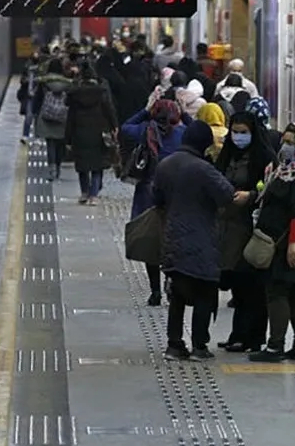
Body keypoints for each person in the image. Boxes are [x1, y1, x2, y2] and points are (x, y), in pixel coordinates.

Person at [153, 119, 251, 360]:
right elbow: (227, 194)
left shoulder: (165, 164)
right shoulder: (203, 169)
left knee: (177, 294)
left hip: (173, 238)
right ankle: (199, 346)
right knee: (205, 292)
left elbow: (157, 198)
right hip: (202, 240)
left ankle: (174, 345)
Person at [249, 124, 295, 363]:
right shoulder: (284, 169)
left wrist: (294, 244)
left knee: (278, 292)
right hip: (285, 240)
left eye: (291, 142)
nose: (285, 146)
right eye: (285, 140)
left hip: (288, 244)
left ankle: (275, 346)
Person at [214, 111, 276, 352]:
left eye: (244, 132)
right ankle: (238, 334)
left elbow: (268, 186)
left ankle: (253, 336)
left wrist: (251, 195)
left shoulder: (264, 157)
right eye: (235, 132)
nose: (239, 137)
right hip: (228, 226)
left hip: (252, 227)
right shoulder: (227, 154)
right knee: (238, 285)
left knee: (252, 284)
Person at [122, 99, 187, 305]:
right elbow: (199, 132)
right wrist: (185, 113)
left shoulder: (144, 130)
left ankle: (155, 291)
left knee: (151, 242)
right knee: (172, 241)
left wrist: (145, 110)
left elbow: (125, 127)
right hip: (175, 195)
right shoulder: (182, 133)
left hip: (147, 194)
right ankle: (171, 279)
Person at [65, 61, 117, 205]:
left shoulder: (75, 94)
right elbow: (109, 110)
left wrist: (68, 138)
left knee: (82, 165)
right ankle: (94, 195)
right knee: (97, 165)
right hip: (98, 132)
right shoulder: (101, 93)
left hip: (79, 132)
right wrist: (114, 127)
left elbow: (70, 117)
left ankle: (84, 192)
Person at [34, 58, 72, 179]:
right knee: (60, 143)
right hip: (62, 116)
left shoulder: (44, 82)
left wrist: (35, 113)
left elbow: (38, 98)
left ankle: (52, 170)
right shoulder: (67, 83)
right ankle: (59, 167)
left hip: (47, 116)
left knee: (50, 143)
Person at [17, 49, 45, 143]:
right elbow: (22, 80)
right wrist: (27, 80)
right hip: (30, 95)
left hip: (37, 95)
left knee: (36, 116)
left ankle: (36, 136)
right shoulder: (28, 68)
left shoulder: (41, 69)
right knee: (29, 116)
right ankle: (26, 135)